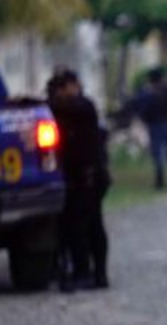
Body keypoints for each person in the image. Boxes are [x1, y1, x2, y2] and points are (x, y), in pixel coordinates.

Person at [47, 70, 111, 290]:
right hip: (80, 176)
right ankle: (90, 273)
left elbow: (63, 108)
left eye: (63, 89)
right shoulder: (69, 109)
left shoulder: (82, 106)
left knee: (85, 226)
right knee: (84, 226)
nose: (62, 94)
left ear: (73, 86)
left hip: (90, 176)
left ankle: (90, 272)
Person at [135, 67, 167, 190]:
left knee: (158, 154)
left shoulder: (148, 93)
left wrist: (145, 120)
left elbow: (141, 108)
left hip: (155, 125)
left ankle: (160, 181)